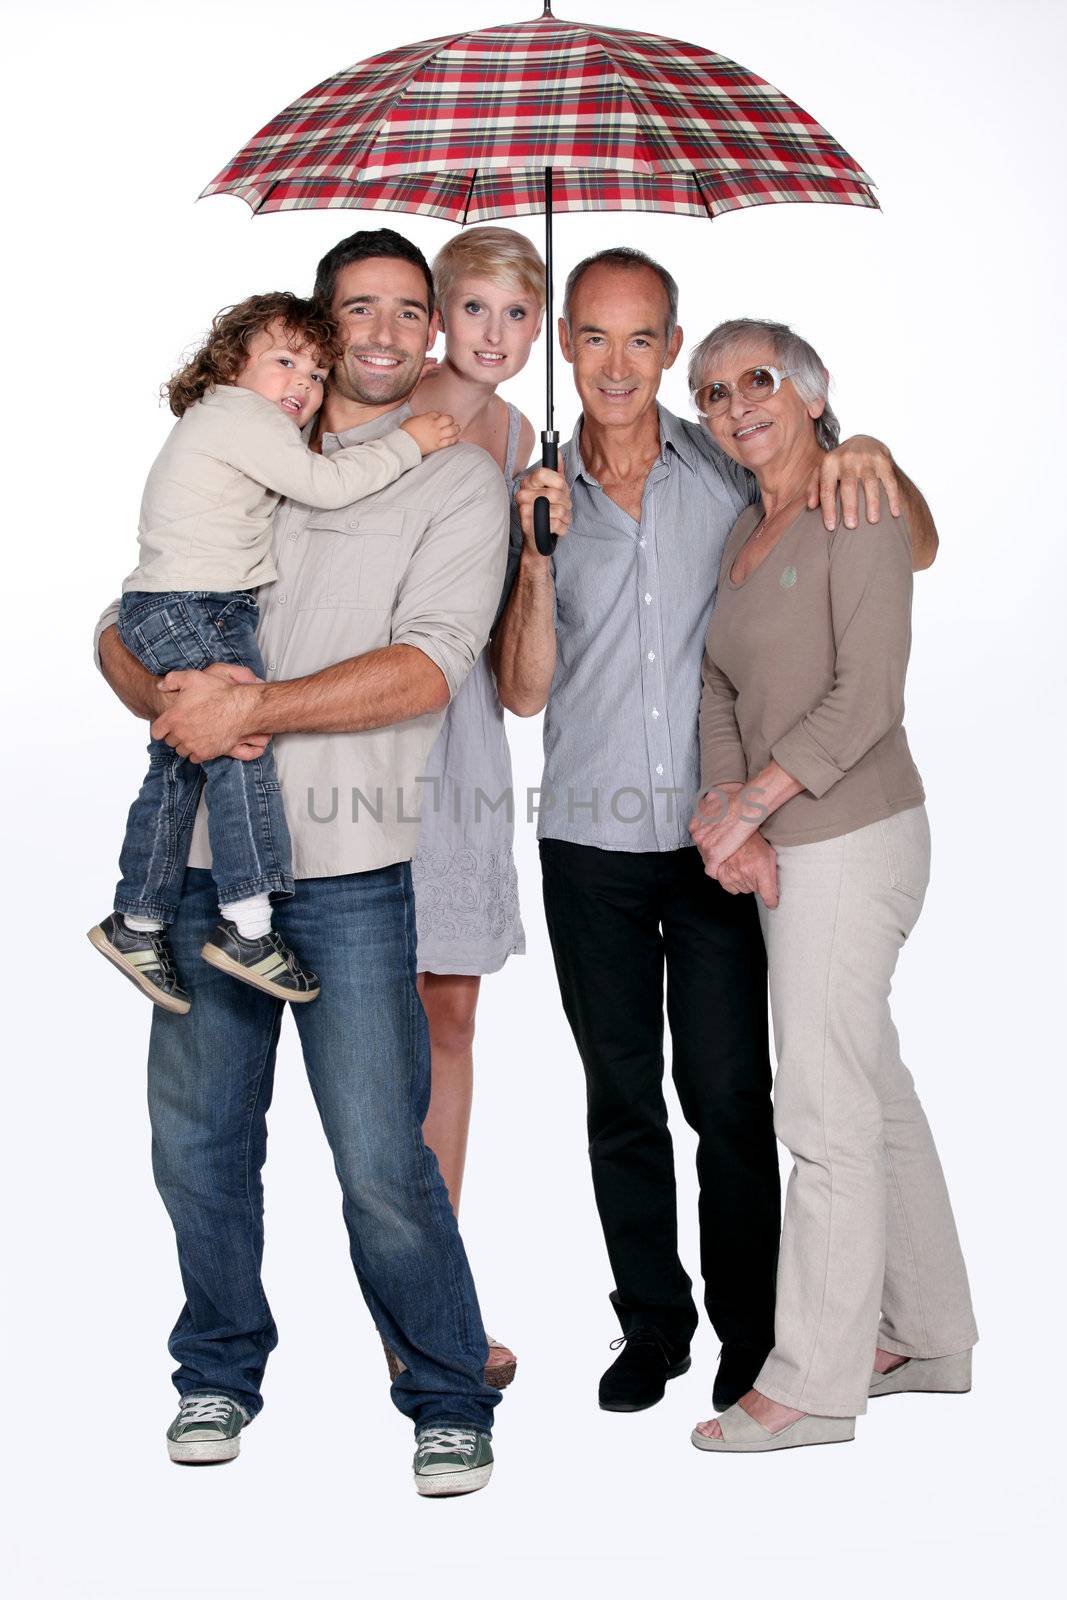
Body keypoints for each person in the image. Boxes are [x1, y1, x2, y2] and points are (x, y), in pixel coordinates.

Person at [92, 229, 508, 1497]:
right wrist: (173, 694)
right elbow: (122, 623)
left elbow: (428, 664)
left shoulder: (456, 483)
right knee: (198, 1146)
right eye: (352, 309)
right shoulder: (253, 445)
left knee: (385, 1162)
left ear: (431, 332)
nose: (380, 331)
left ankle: (445, 1394)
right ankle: (216, 1369)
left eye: (404, 309)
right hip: (207, 870)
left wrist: (250, 707)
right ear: (319, 332)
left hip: (352, 876)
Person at [493, 248, 941, 1417]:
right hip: (586, 840)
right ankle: (650, 1325)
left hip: (721, 841)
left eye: (642, 340)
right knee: (620, 1096)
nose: (615, 365)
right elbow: (523, 691)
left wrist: (863, 442)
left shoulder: (729, 465)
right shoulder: (533, 495)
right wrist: (532, 561)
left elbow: (906, 543)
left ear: (669, 349)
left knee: (732, 1096)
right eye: (591, 337)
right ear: (565, 349)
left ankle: (756, 1337)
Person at [686, 319, 977, 1454]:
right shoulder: (744, 532)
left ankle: (809, 1383)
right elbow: (717, 682)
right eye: (709, 392)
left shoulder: (857, 503)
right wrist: (726, 818)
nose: (731, 405)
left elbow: (866, 702)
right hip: (781, 843)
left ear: (809, 393)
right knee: (871, 1086)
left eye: (754, 380)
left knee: (818, 1106)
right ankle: (926, 1332)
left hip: (853, 840)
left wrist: (751, 805)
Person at [88, 291, 458, 1012]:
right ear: (230, 365)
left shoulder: (228, 418)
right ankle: (250, 927)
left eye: (318, 373)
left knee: (179, 768)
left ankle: (137, 920)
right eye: (284, 362)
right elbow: (326, 485)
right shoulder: (242, 415)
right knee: (242, 747)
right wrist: (409, 439)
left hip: (166, 604)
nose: (303, 385)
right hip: (194, 605)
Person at [397, 226, 546, 1392]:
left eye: (516, 315)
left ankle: (436, 1295)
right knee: (373, 1031)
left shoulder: (525, 437)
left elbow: (517, 670)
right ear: (439, 313)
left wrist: (540, 539)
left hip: (464, 742)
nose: (494, 336)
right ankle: (411, 1303)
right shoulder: (387, 402)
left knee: (452, 1018)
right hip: (372, 723)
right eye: (475, 310)